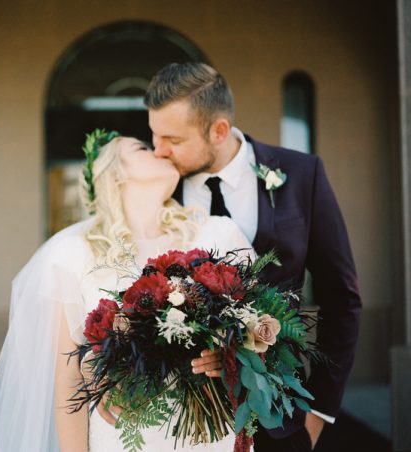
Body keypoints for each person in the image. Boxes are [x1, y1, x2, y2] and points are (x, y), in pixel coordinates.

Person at [141, 62, 362, 452]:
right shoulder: (154, 186)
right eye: (154, 135)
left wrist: (317, 413)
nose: (158, 150)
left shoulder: (301, 175)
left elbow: (341, 298)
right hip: (178, 426)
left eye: (172, 139)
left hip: (280, 420)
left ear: (219, 130)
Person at [0, 134, 254, 451]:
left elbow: (261, 339)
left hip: (211, 438)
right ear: (114, 175)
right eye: (142, 148)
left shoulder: (220, 234)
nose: (160, 151)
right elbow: (69, 379)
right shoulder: (73, 255)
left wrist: (228, 355)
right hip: (122, 438)